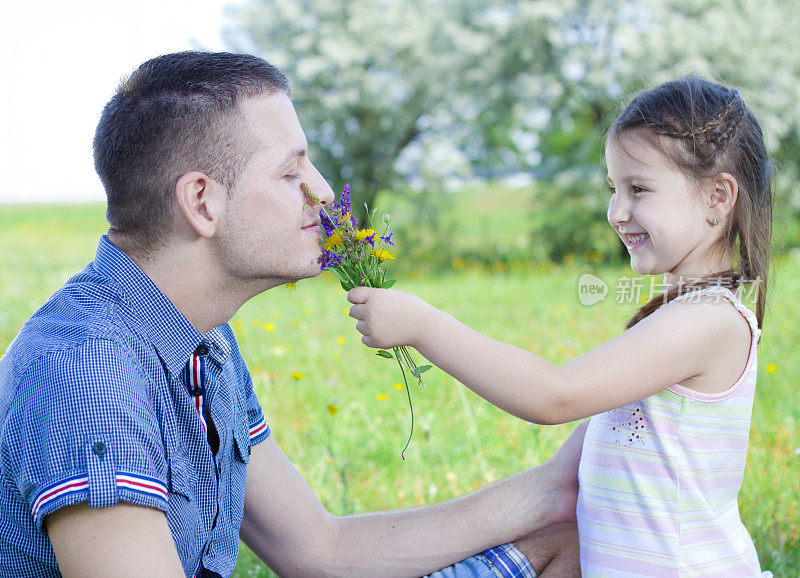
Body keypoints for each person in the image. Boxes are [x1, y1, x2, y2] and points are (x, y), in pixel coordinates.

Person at [0, 51, 587, 578]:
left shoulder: (204, 343)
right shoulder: (89, 374)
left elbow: (320, 552)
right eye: (291, 172)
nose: (325, 193)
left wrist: (549, 491)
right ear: (201, 202)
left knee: (566, 544)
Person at [349, 76, 774, 576]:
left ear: (717, 198)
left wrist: (425, 326)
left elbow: (554, 395)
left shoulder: (709, 320)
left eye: (639, 189)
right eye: (614, 189)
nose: (616, 213)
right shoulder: (685, 315)